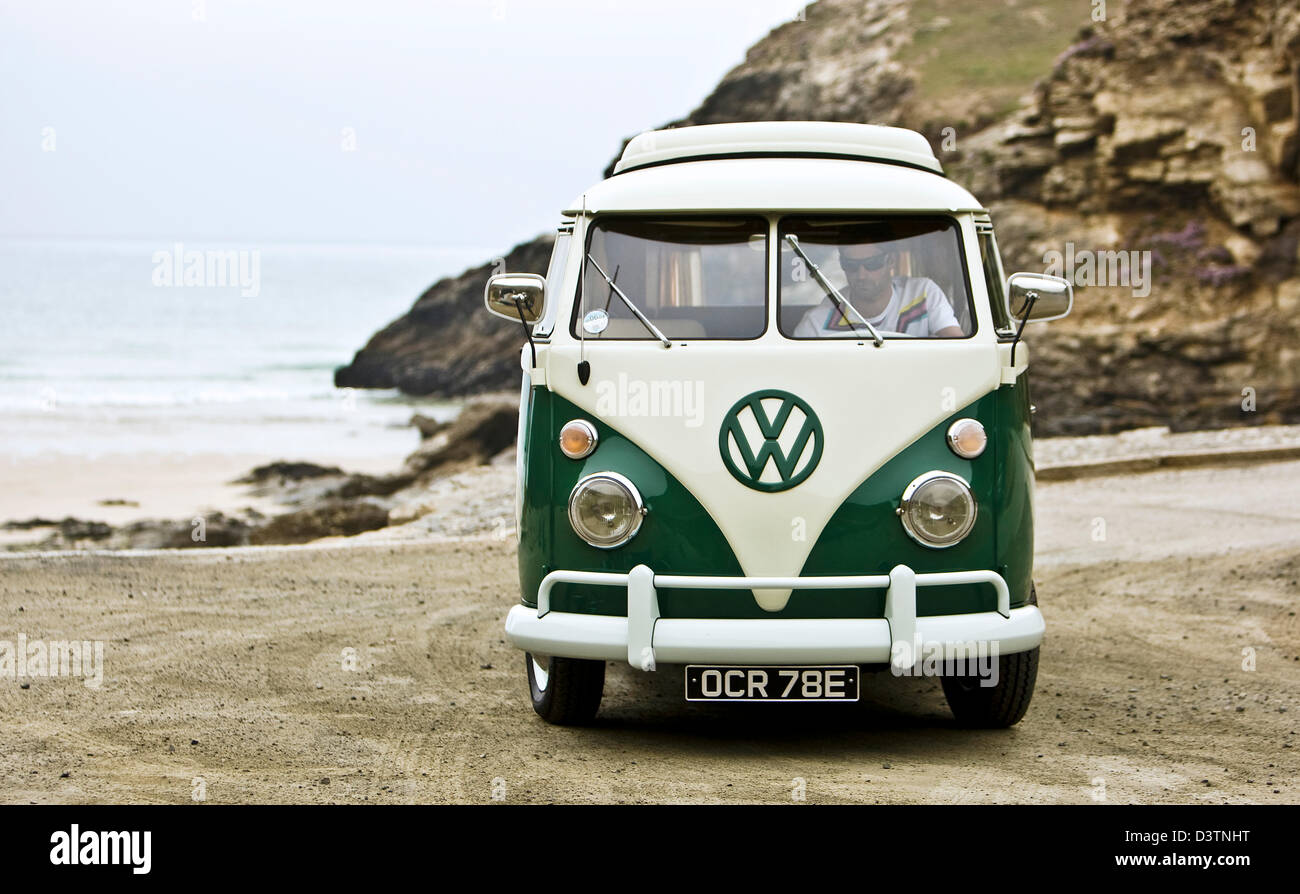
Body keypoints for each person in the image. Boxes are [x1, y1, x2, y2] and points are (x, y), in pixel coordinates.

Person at [793, 240, 965, 338]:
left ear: (890, 261)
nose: (861, 274)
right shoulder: (817, 322)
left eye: (872, 264)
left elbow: (959, 348)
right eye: (851, 265)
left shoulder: (923, 294)